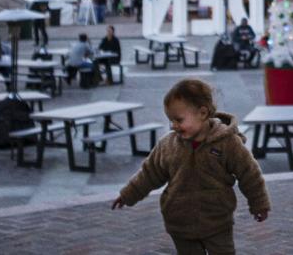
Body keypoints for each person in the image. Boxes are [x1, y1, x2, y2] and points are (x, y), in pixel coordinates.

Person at [112, 78, 270, 253]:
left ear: (202, 113)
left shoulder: (228, 144)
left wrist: (259, 204)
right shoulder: (168, 145)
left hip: (217, 221)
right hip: (179, 223)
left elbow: (250, 174)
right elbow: (149, 173)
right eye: (171, 120)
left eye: (178, 120)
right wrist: (127, 194)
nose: (173, 126)